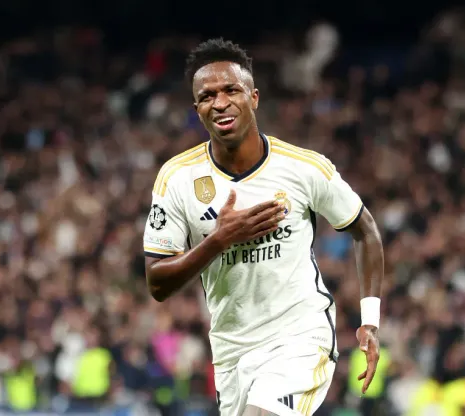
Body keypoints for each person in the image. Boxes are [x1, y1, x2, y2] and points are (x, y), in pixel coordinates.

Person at [143, 38, 385, 416]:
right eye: (207, 96)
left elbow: (365, 230)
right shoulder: (176, 179)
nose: (220, 102)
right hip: (231, 352)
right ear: (197, 110)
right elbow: (157, 282)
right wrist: (220, 239)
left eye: (231, 90)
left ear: (253, 97)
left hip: (300, 337)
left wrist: (370, 321)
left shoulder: (304, 168)